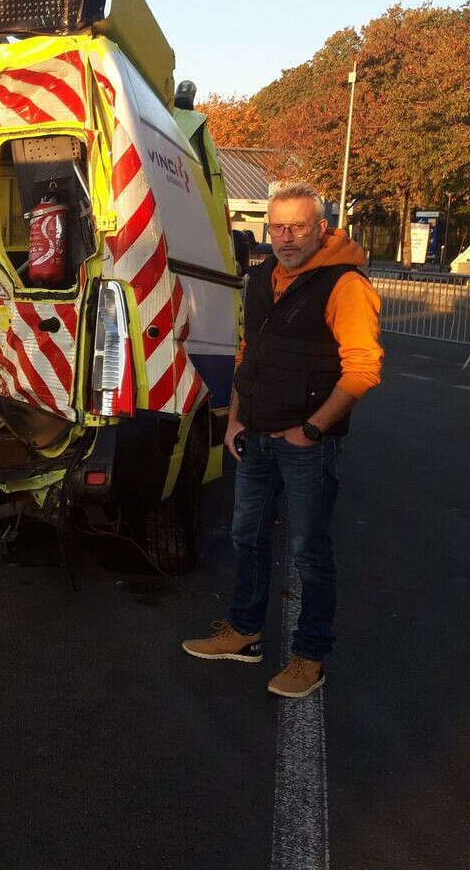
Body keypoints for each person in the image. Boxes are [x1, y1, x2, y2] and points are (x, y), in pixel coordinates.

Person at [182, 182, 382, 698]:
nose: (286, 238)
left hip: (306, 444)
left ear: (321, 228)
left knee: (309, 551)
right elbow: (251, 353)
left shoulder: (345, 285)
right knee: (246, 539)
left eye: (297, 227)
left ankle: (309, 657)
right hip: (256, 437)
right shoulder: (263, 278)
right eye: (277, 227)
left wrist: (312, 429)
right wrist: (234, 421)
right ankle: (244, 633)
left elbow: (363, 370)